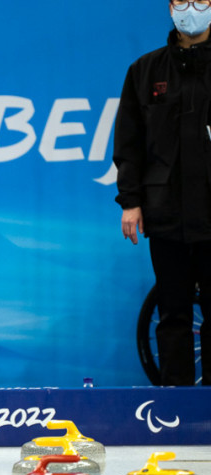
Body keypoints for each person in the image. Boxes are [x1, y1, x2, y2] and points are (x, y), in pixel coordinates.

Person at [114, 0, 211, 386]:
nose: (192, 9)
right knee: (173, 311)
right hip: (164, 212)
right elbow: (129, 143)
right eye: (182, 1)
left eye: (201, 1)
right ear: (170, 7)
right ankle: (178, 407)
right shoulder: (145, 70)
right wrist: (131, 202)